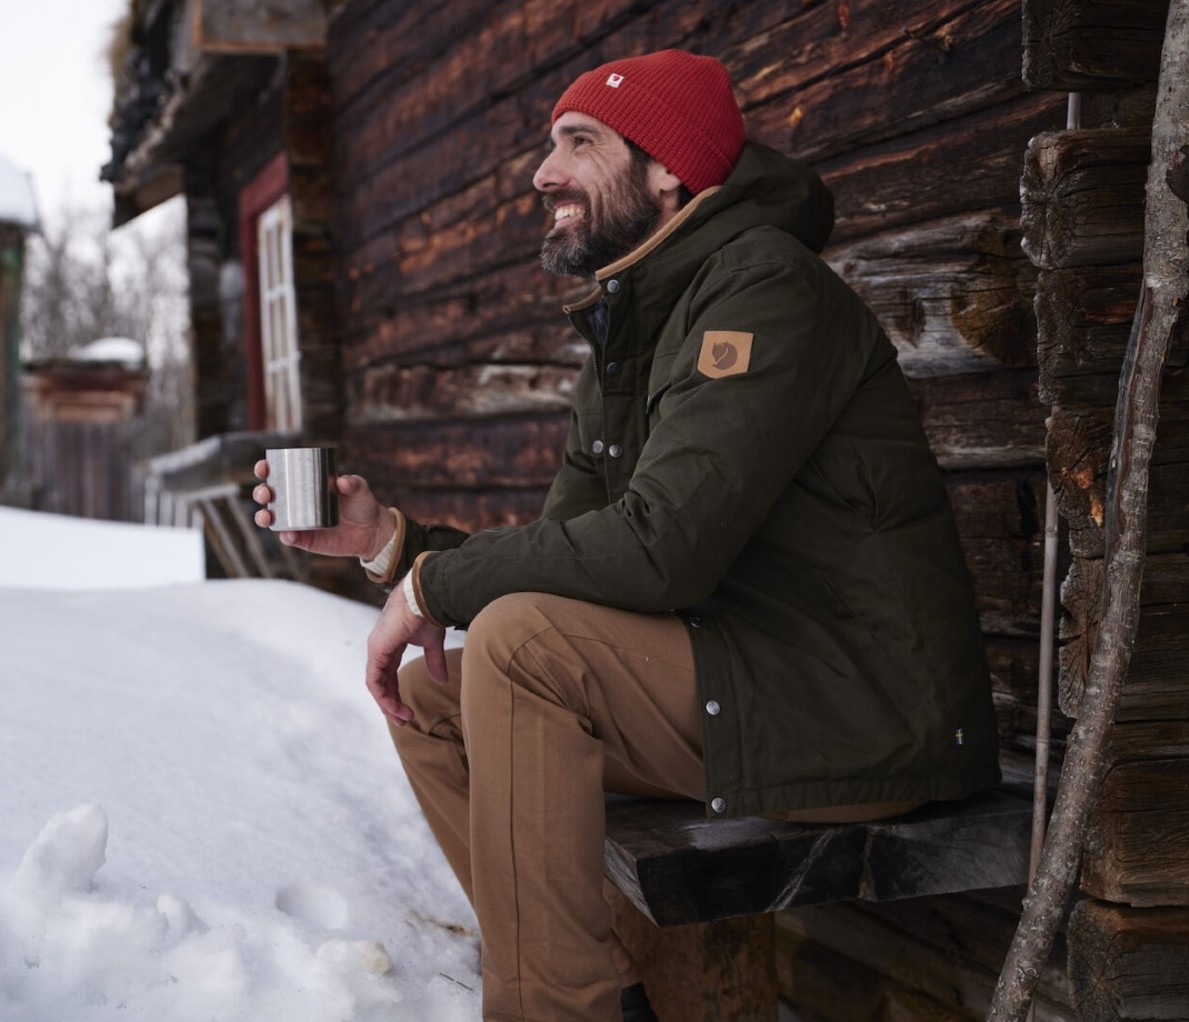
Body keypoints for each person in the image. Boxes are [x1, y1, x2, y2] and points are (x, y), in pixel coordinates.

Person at [254, 49, 1001, 1022]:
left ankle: (550, 1007)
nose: (541, 173)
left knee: (521, 648)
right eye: (547, 145)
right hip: (745, 672)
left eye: (578, 142)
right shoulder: (633, 320)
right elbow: (576, 548)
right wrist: (389, 541)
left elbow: (661, 550)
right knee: (438, 685)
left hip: (860, 703)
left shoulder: (764, 290)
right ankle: (602, 982)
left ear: (668, 170)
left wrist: (436, 585)